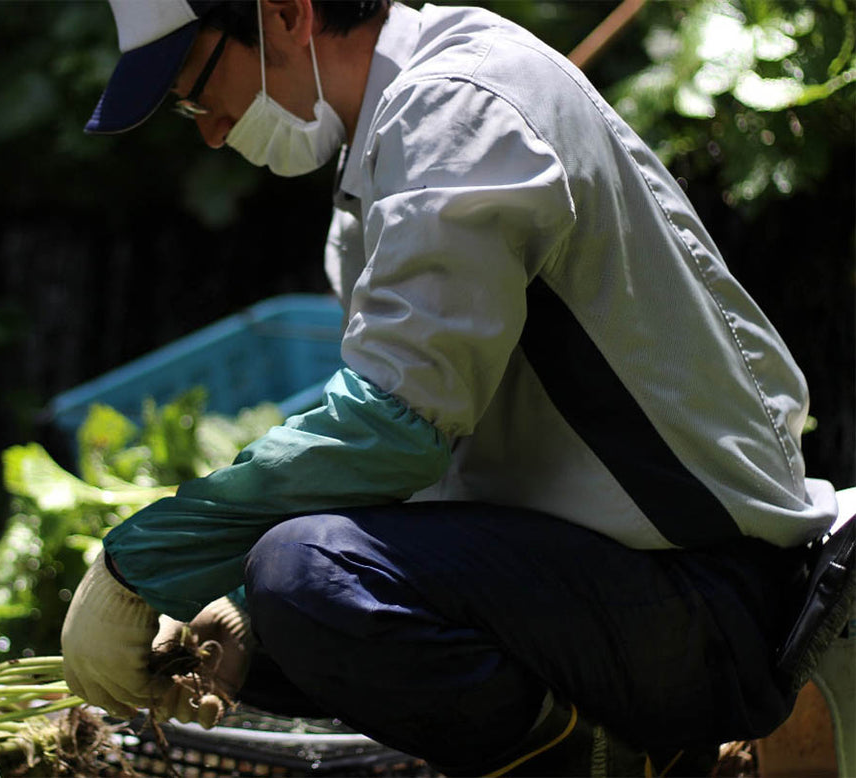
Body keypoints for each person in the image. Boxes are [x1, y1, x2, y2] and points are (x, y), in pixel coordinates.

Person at [61, 0, 842, 774]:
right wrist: (238, 609)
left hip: (708, 600)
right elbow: (429, 463)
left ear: (289, 15)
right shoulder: (388, 148)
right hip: (616, 586)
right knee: (263, 617)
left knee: (305, 577)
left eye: (198, 89)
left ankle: (634, 764)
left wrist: (140, 563)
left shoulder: (458, 106)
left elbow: (396, 427)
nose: (210, 127)